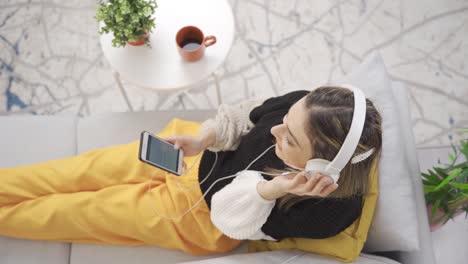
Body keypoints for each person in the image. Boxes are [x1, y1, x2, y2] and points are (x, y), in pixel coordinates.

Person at [0, 86, 382, 255]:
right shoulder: (305, 105)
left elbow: (229, 219)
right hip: (193, 154)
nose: (276, 130)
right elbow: (250, 113)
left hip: (197, 217)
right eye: (286, 119)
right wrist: (205, 136)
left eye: (290, 140)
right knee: (72, 172)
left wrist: (272, 189)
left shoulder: (326, 212)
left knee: (75, 213)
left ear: (319, 166)